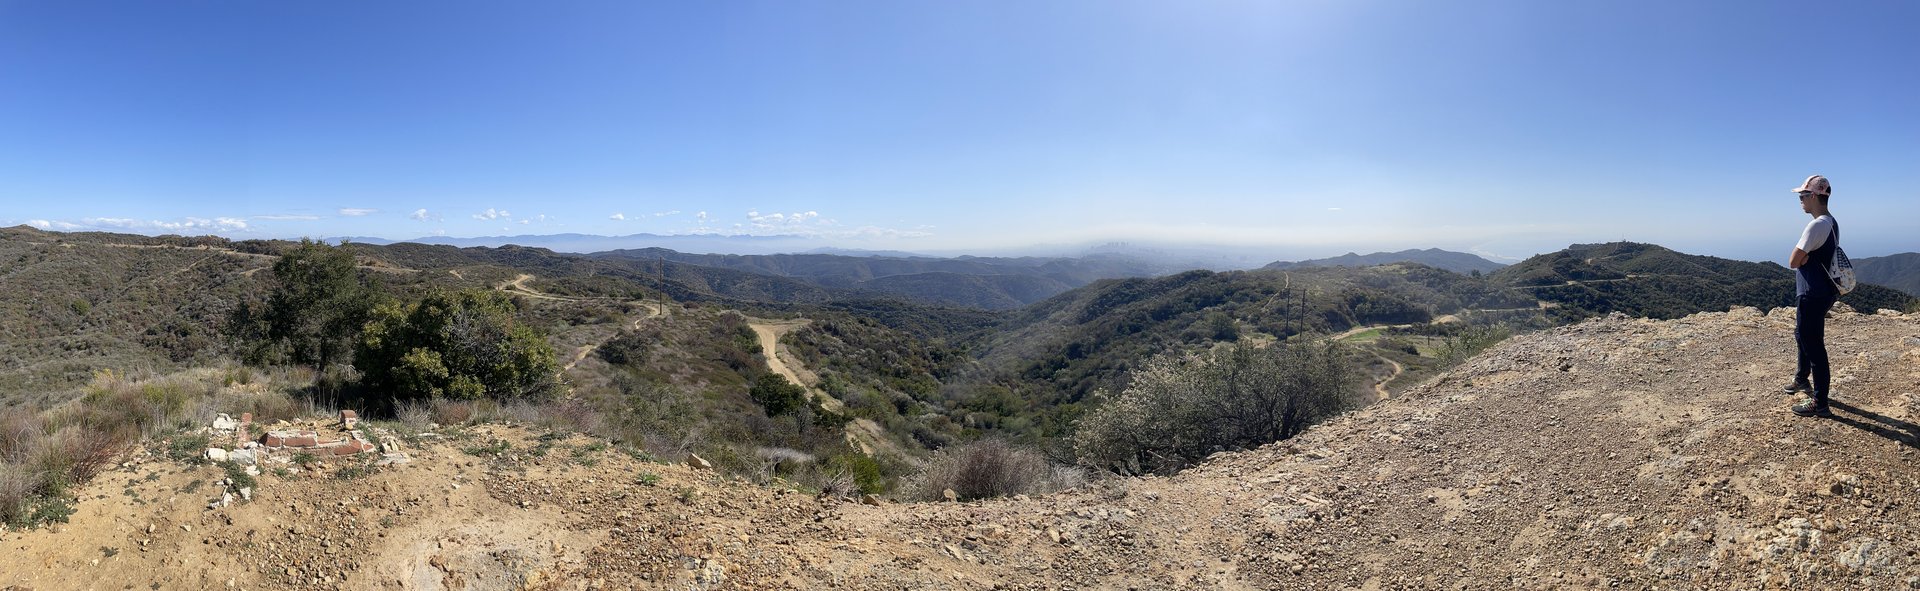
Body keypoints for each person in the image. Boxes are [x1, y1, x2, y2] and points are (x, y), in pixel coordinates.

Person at [1782, 174, 1838, 417]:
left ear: (1814, 196)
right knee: (1802, 334)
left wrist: (1804, 258)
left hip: (1811, 294)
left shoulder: (1816, 225)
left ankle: (1820, 402)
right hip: (1823, 291)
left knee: (1814, 345)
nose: (1800, 200)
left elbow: (1794, 261)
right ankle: (1802, 378)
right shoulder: (1831, 222)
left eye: (1803, 196)